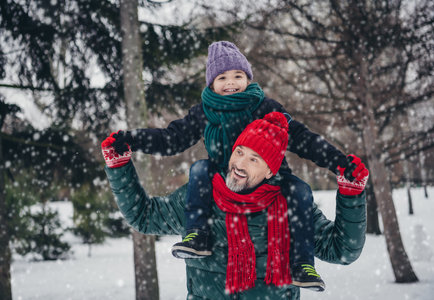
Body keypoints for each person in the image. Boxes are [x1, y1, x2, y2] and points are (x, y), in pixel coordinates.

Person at [109, 41, 365, 291]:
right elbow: (170, 140)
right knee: (199, 168)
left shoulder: (265, 108)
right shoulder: (204, 118)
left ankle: (301, 264)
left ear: (248, 79)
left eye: (237, 75)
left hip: (276, 183)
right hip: (217, 179)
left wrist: (339, 164)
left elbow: (302, 139)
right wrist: (130, 142)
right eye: (222, 78)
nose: (230, 83)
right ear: (211, 83)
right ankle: (198, 234)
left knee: (300, 190)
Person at [101, 112, 369, 299]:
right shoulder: (201, 196)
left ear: (269, 171)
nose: (240, 164)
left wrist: (351, 195)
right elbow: (144, 217)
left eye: (254, 159)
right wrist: (119, 166)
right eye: (239, 152)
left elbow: (342, 251)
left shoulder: (290, 205)